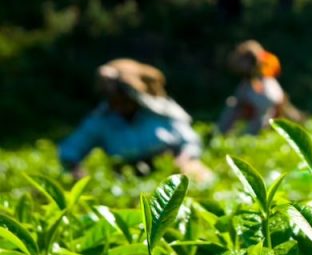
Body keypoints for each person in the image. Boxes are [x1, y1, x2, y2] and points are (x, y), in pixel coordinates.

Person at [58, 58, 211, 181]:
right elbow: (70, 151)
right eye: (113, 100)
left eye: (124, 99)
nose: (119, 105)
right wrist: (76, 171)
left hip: (172, 171)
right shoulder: (102, 120)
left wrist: (183, 160)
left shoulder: (160, 111)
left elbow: (190, 141)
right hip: (129, 178)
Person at [217, 40, 304, 135]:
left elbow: (268, 105)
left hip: (272, 111)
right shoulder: (246, 83)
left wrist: (250, 135)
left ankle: (249, 135)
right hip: (256, 110)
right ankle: (221, 133)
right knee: (232, 104)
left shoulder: (266, 82)